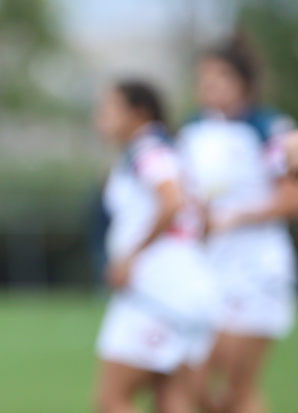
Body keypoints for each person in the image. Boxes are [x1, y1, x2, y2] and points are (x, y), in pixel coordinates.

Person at [177, 37, 298, 413]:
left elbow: (291, 198)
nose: (210, 84)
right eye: (204, 76)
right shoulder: (193, 130)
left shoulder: (268, 128)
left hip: (256, 271)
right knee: (191, 385)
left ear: (243, 81)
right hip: (207, 269)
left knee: (235, 386)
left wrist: (236, 215)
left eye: (220, 76)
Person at [92, 81, 218, 413]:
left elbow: (171, 200)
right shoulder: (172, 148)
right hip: (188, 287)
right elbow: (200, 214)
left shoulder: (148, 150)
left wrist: (130, 256)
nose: (100, 118)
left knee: (111, 400)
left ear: (140, 113)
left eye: (108, 110)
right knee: (173, 401)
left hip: (156, 293)